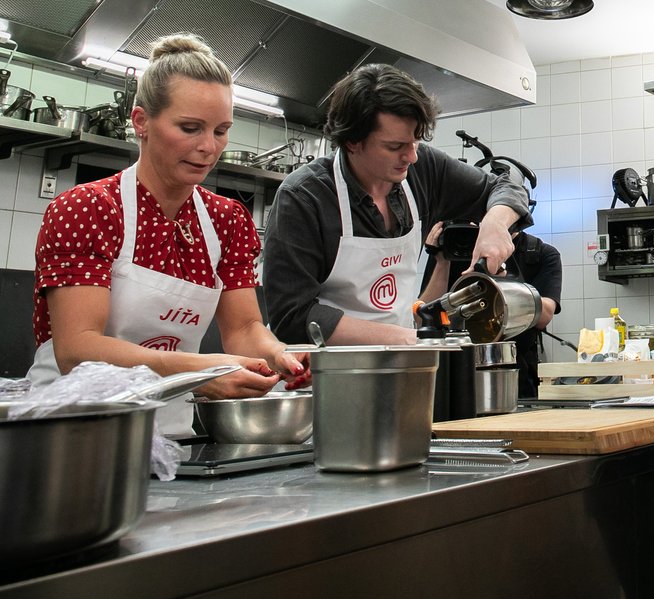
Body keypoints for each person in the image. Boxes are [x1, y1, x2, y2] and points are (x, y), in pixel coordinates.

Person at [28, 33, 309, 436]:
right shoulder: (89, 208)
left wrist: (281, 357)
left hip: (171, 436)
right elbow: (78, 348)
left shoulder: (227, 220)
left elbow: (244, 329)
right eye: (190, 128)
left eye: (220, 130)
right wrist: (198, 372)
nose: (208, 147)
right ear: (141, 122)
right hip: (74, 436)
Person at [262, 64, 532, 346]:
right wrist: (409, 339)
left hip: (400, 365)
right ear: (353, 141)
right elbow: (292, 316)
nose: (411, 157)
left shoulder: (424, 170)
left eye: (415, 142)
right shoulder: (304, 197)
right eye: (394, 147)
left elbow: (507, 186)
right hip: (324, 373)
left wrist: (495, 223)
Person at [420, 221, 561, 398]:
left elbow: (545, 314)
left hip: (515, 372)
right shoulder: (457, 246)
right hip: (456, 371)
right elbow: (424, 316)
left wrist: (506, 277)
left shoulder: (539, 253)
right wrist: (441, 262)